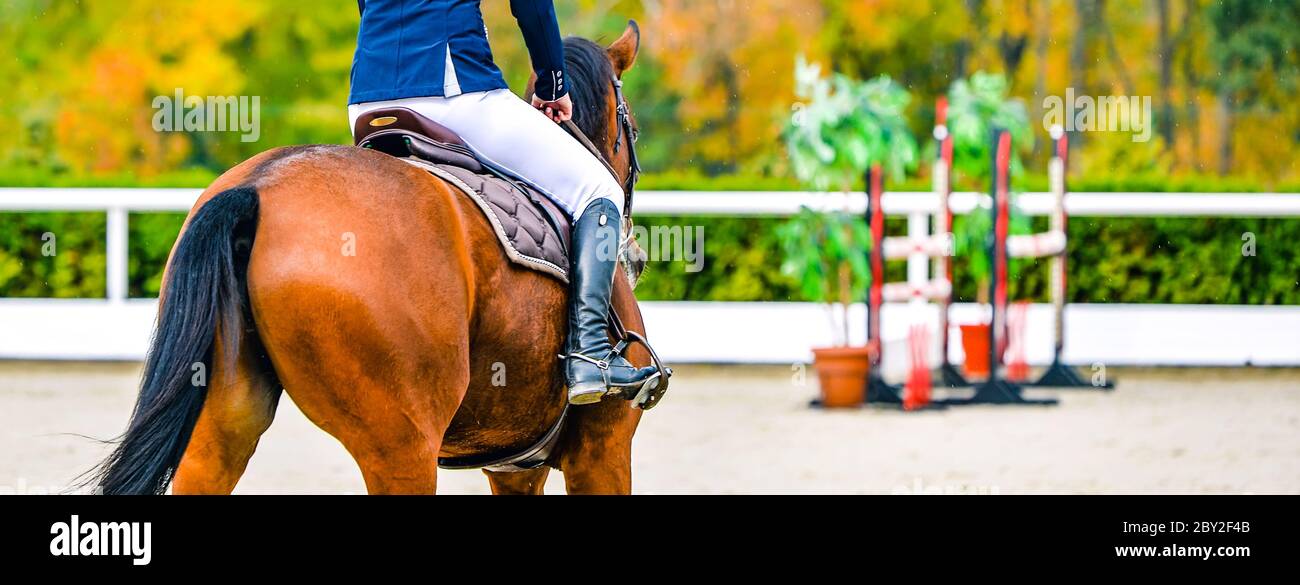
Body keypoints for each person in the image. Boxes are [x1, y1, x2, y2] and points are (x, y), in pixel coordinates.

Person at [348, 0, 656, 405]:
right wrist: (552, 85)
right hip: (454, 92)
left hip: (367, 101)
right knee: (599, 190)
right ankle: (590, 353)